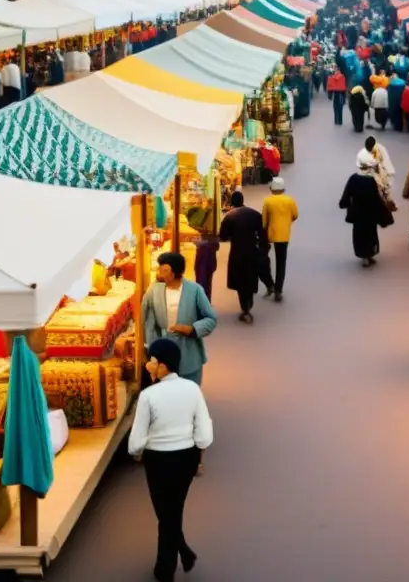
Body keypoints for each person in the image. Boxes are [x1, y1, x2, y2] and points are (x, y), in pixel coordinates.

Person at [129, 338, 213, 582]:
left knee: (165, 513)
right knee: (173, 510)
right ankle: (175, 559)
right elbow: (204, 431)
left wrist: (137, 454)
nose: (148, 365)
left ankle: (167, 569)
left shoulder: (148, 395)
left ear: (163, 365)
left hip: (158, 461)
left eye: (151, 361)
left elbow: (136, 440)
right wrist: (199, 458)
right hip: (186, 457)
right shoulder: (192, 389)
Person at [142, 252, 217, 387]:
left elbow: (211, 318)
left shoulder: (195, 290)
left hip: (189, 351)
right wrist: (150, 348)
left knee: (188, 392)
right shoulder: (154, 290)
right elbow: (147, 320)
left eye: (164, 270)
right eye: (160, 269)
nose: (160, 273)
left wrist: (192, 329)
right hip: (163, 353)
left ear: (174, 271)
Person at [219, 192, 268, 323]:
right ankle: (249, 304)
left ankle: (245, 308)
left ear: (232, 203)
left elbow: (223, 236)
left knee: (240, 281)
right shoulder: (255, 214)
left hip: (237, 253)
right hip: (252, 251)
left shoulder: (230, 217)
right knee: (251, 278)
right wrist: (263, 250)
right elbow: (263, 233)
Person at [339, 153, 394, 267]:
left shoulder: (353, 178)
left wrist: (344, 203)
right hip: (369, 213)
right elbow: (376, 197)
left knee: (359, 235)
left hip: (357, 212)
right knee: (370, 234)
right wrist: (383, 212)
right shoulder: (371, 180)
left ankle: (363, 256)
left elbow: (347, 193)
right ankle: (370, 254)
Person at [261, 177, 299, 302]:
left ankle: (270, 283)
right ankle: (278, 290)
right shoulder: (289, 201)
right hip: (284, 235)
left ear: (272, 189)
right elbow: (295, 215)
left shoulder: (268, 201)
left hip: (271, 235)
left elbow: (264, 221)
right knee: (281, 263)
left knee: (265, 260)